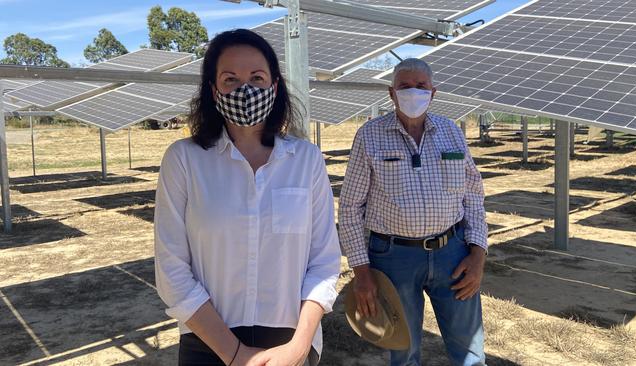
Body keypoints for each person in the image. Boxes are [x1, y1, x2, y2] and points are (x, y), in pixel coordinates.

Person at [154, 29, 341, 366]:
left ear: (274, 86)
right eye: (230, 79)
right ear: (213, 90)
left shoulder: (306, 160)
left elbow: (324, 262)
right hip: (208, 342)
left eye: (257, 77)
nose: (245, 90)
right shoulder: (184, 159)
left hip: (292, 340)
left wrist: (298, 347)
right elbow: (172, 270)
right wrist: (235, 353)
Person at [338, 58, 488, 366]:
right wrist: (361, 272)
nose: (413, 93)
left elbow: (473, 196)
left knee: (470, 349)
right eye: (405, 87)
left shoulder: (451, 133)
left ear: (433, 93)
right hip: (394, 257)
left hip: (453, 252)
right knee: (404, 351)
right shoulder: (369, 136)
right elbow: (351, 208)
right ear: (391, 93)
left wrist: (478, 254)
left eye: (421, 87)